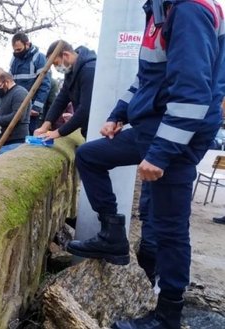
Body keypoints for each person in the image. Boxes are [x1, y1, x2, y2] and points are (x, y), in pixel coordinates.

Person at [64, 1, 225, 328]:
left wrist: (162, 153)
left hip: (177, 133)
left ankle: (168, 315)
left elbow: (193, 93)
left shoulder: (188, 10)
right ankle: (113, 236)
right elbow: (146, 78)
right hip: (155, 127)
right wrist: (118, 114)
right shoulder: (158, 9)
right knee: (90, 156)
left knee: (169, 227)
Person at [33, 41, 97, 141]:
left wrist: (58, 132)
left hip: (97, 128)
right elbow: (61, 100)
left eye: (56, 63)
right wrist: (45, 126)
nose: (56, 68)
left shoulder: (89, 70)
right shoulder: (70, 72)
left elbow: (85, 109)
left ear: (66, 55)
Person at [10, 32, 52, 134]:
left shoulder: (39, 58)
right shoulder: (14, 60)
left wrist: (36, 107)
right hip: (18, 108)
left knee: (31, 138)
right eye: (15, 50)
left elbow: (45, 85)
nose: (17, 52)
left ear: (27, 44)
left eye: (19, 49)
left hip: (33, 110)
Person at [0, 68, 30, 154]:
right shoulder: (4, 96)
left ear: (6, 82)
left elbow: (17, 116)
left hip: (16, 142)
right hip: (4, 142)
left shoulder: (19, 93)